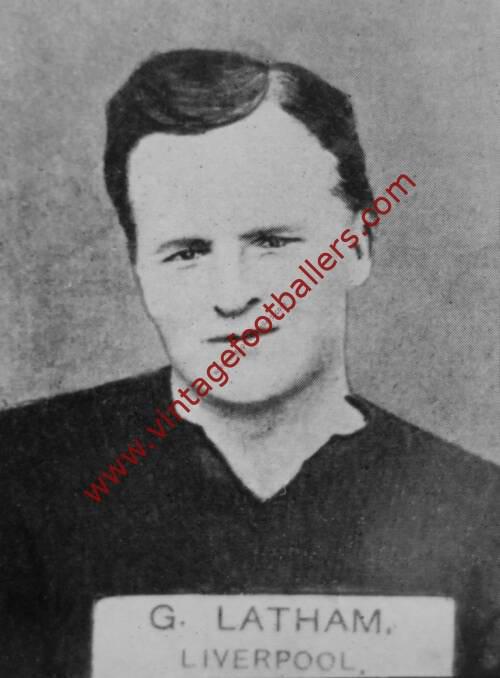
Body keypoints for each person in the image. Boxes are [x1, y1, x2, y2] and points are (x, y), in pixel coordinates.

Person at [0, 49, 498, 678]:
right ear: (140, 271)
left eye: (271, 242)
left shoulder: (483, 517)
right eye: (186, 252)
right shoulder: (16, 480)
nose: (232, 295)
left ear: (357, 249)